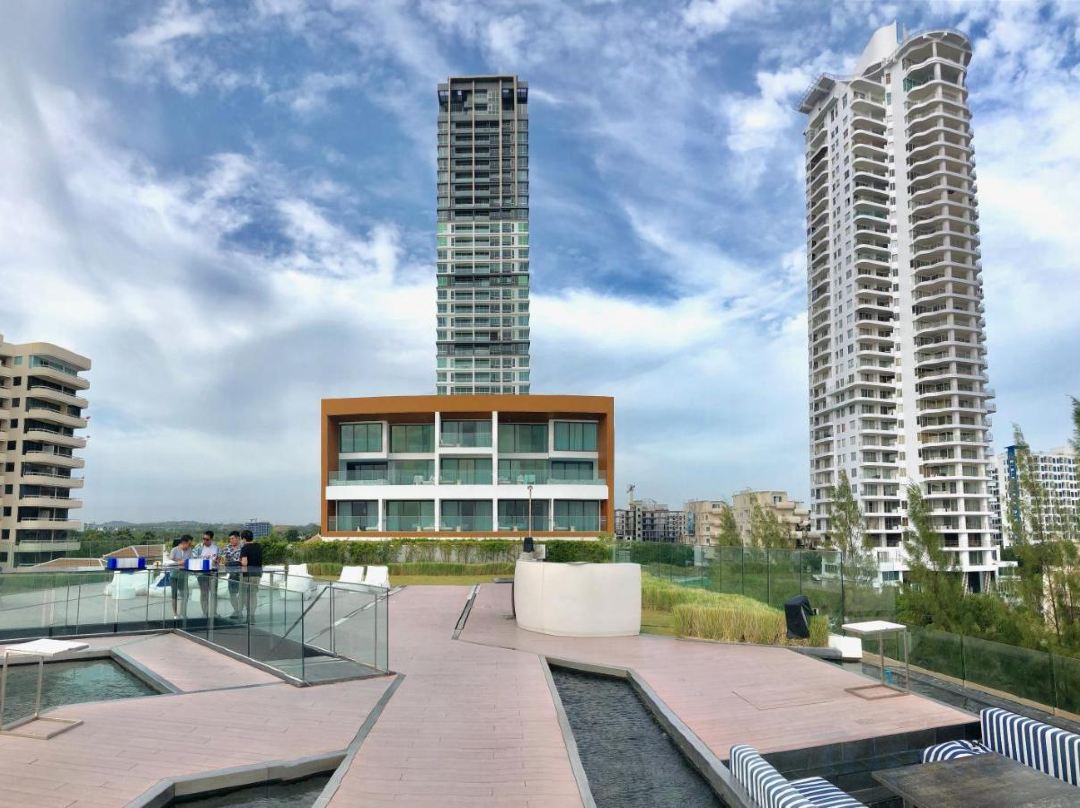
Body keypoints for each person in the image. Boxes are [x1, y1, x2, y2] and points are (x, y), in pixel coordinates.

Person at [191, 530, 220, 618]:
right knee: (204, 593)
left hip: (213, 572)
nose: (204, 541)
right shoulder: (198, 547)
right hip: (202, 573)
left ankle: (214, 613)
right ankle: (205, 613)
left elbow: (220, 558)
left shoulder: (216, 547)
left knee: (214, 593)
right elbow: (194, 558)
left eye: (207, 539)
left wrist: (217, 561)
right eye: (203, 539)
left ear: (211, 539)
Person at [238, 529, 263, 621]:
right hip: (257, 574)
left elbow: (245, 563)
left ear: (244, 539)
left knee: (245, 595)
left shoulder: (245, 548)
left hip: (247, 575)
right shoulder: (258, 546)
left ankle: (249, 615)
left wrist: (239, 561)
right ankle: (252, 615)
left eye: (241, 539)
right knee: (253, 595)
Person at [168, 535, 193, 618]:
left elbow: (191, 561)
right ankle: (175, 614)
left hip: (183, 575)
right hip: (174, 575)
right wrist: (180, 562)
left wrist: (179, 561)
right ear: (183, 543)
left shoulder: (189, 550)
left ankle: (183, 613)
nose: (190, 545)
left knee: (185, 594)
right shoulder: (174, 550)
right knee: (174, 594)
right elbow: (170, 562)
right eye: (189, 544)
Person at [222, 530, 243, 617]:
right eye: (230, 539)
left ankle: (241, 611)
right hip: (232, 574)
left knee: (242, 594)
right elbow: (224, 560)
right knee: (232, 593)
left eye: (232, 538)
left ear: (238, 538)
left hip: (242, 574)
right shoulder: (227, 547)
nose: (231, 540)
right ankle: (236, 610)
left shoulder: (243, 547)